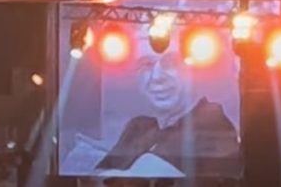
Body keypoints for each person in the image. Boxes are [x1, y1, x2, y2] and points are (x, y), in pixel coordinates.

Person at [95, 29, 240, 177]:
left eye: (171, 63)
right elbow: (95, 177)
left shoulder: (213, 127)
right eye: (146, 64)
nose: (156, 77)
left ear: (196, 71)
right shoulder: (138, 127)